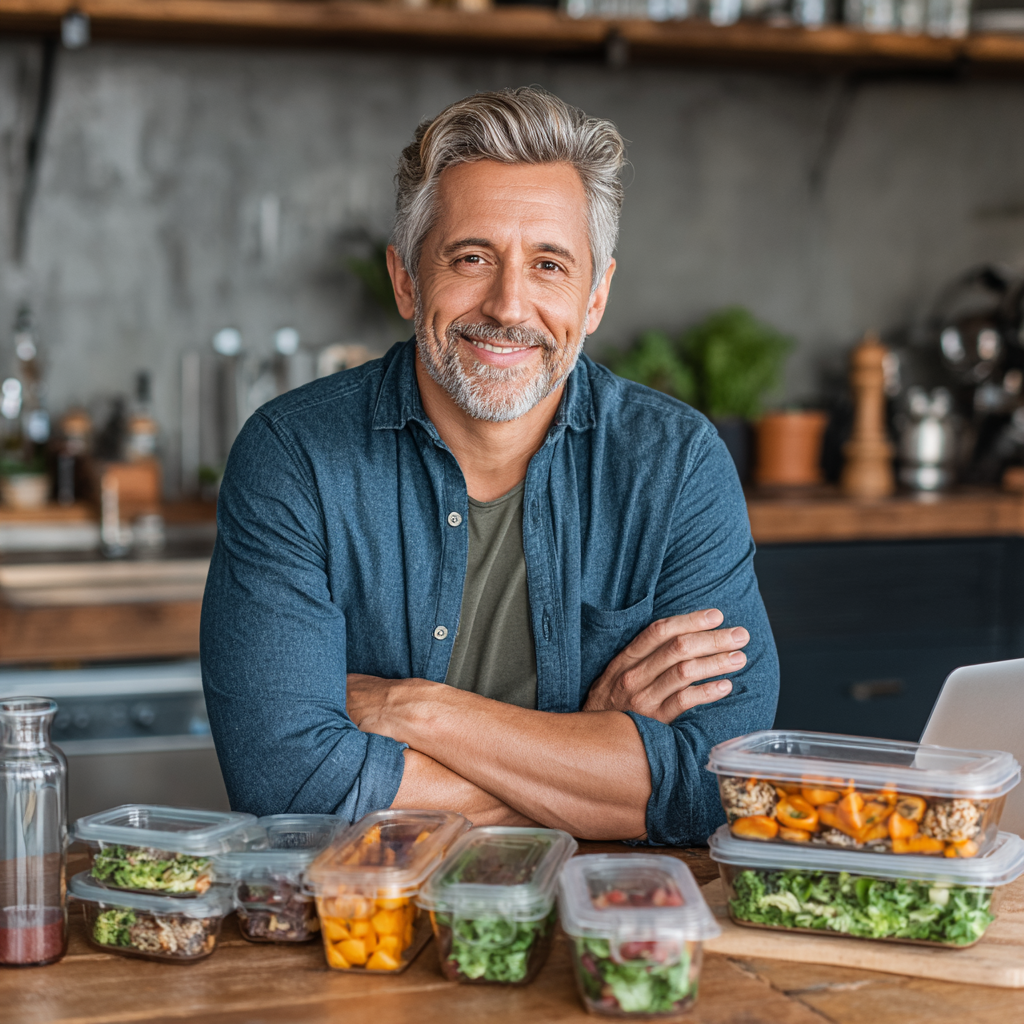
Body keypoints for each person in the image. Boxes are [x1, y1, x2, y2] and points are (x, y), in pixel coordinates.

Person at [201, 86, 779, 846]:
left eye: (549, 265)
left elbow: (712, 783)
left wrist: (416, 711)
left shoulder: (674, 465)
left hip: (598, 928)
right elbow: (293, 786)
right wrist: (587, 753)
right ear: (407, 279)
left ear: (597, 295)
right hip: (363, 935)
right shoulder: (295, 458)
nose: (509, 306)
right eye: (472, 258)